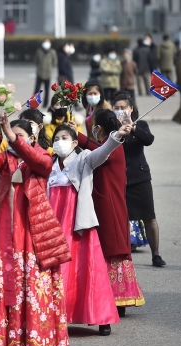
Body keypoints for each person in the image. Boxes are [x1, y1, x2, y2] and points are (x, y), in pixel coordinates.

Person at [0, 116, 71, 346]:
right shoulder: (5, 160)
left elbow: (38, 161)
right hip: (5, 236)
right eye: (11, 136)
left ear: (31, 138)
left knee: (34, 292)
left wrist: (13, 137)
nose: (12, 139)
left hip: (33, 238)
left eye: (19, 135)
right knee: (5, 290)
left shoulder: (43, 156)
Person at [49, 123, 130, 335]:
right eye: (57, 138)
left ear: (75, 142)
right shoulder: (49, 164)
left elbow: (102, 153)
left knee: (89, 270)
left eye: (65, 138)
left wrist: (116, 137)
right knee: (58, 271)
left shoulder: (84, 158)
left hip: (78, 223)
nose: (60, 142)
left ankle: (102, 318)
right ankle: (56, 316)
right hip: (54, 224)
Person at [74, 109, 145, 317]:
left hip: (110, 204)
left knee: (112, 250)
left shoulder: (114, 145)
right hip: (108, 201)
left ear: (100, 127)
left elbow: (100, 150)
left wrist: (78, 136)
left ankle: (117, 300)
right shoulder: (111, 144)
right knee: (108, 248)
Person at [113, 92, 166, 267]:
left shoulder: (140, 123)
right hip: (120, 178)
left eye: (123, 108)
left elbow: (149, 140)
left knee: (149, 217)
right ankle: (123, 253)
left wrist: (133, 127)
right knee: (122, 218)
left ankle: (156, 254)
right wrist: (119, 132)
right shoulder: (111, 126)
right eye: (117, 108)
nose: (120, 111)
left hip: (140, 177)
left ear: (131, 109)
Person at [34, 39, 57, 107]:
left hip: (48, 74)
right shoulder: (39, 51)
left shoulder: (52, 52)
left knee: (47, 90)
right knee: (37, 90)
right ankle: (34, 102)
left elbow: (55, 62)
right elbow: (36, 61)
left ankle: (45, 104)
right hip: (40, 73)